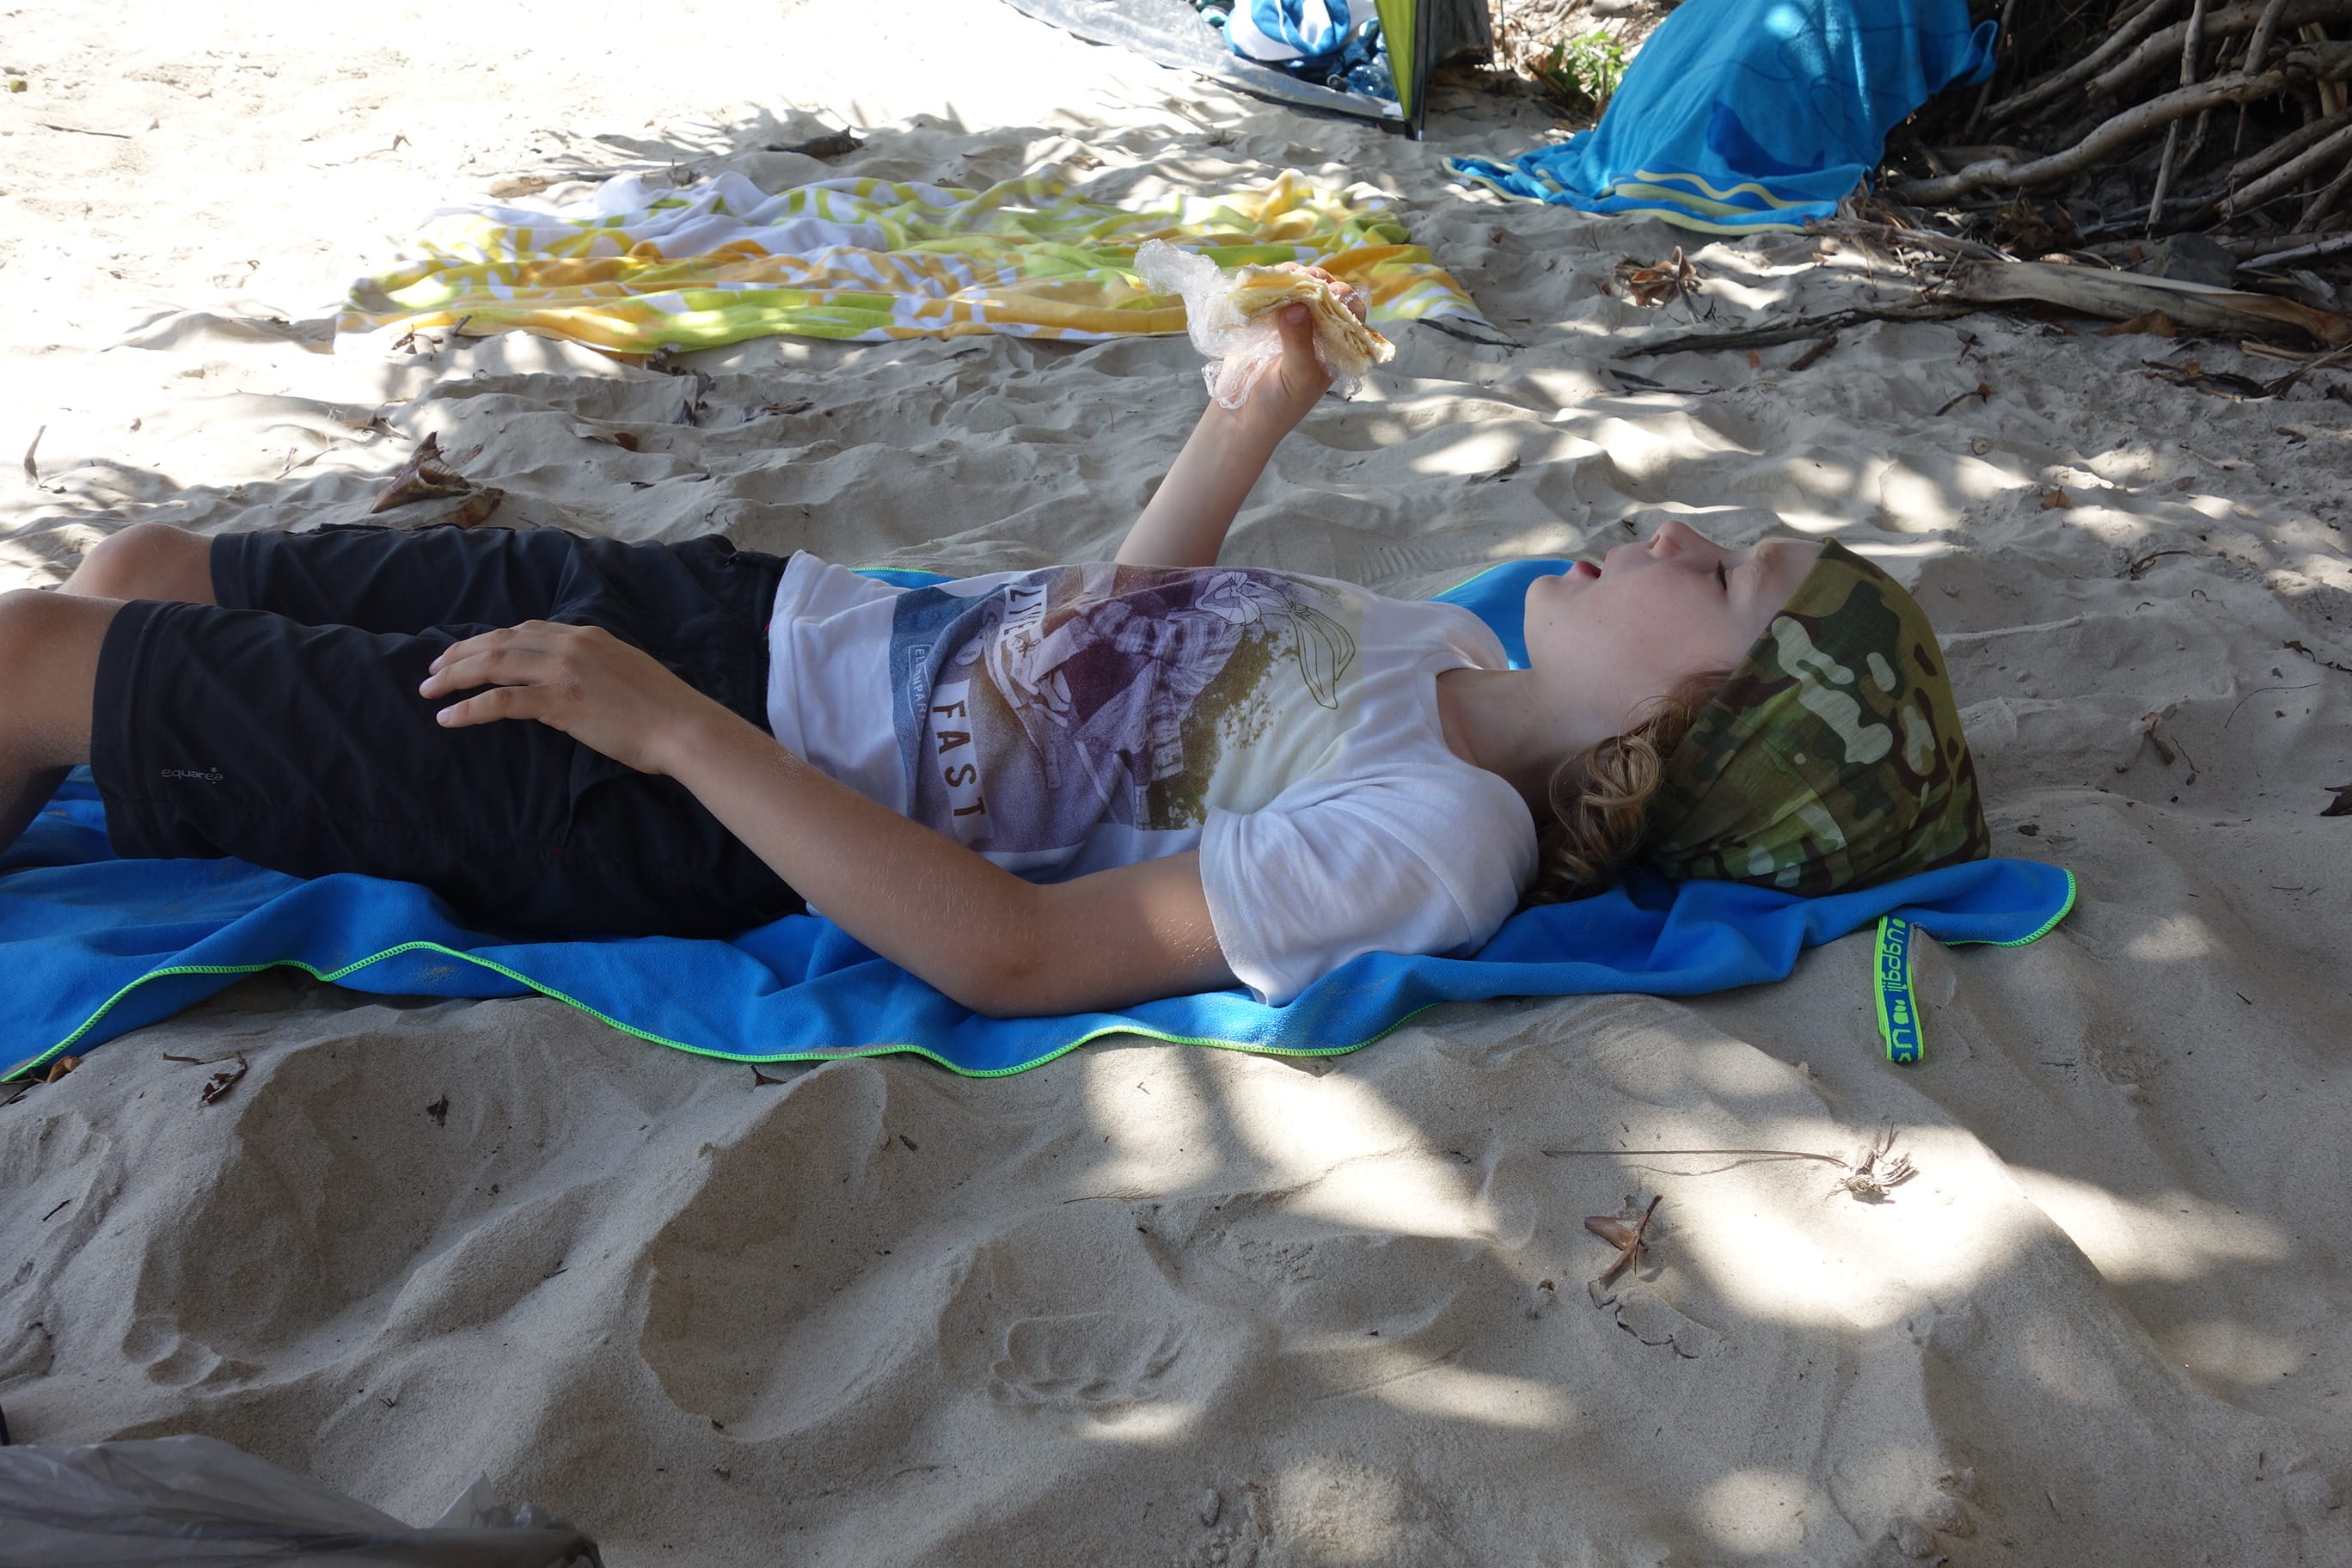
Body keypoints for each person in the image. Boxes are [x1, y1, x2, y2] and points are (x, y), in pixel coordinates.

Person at [0, 292, 1988, 1020]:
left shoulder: (1437, 839)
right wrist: (1250, 416)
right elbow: (1110, 664)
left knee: (27, 654)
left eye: (1726, 575)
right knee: (147, 569)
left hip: (681, 781)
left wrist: (673, 738)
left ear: (1698, 717)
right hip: (751, 621)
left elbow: (1015, 956)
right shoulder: (1437, 648)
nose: (1678, 531)